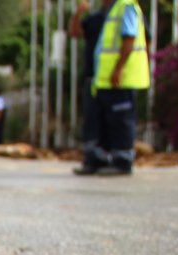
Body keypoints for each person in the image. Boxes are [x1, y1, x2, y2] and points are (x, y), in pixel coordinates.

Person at [78, 0, 149, 175]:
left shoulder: (126, 7)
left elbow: (129, 38)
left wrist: (119, 68)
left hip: (121, 79)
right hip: (105, 81)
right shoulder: (112, 10)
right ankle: (104, 158)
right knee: (106, 122)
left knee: (121, 121)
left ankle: (123, 161)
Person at [69, 0, 108, 174]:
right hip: (93, 77)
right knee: (92, 121)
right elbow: (75, 33)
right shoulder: (95, 18)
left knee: (111, 122)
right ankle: (92, 160)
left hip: (115, 79)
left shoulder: (124, 14)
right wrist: (78, 14)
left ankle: (110, 159)